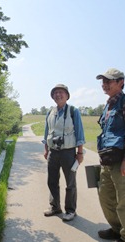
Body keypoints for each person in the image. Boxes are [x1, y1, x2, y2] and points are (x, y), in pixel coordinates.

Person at [96, 68, 125, 242]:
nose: (105, 84)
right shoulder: (108, 105)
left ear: (121, 82)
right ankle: (117, 229)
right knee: (106, 196)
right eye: (103, 81)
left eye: (109, 81)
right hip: (108, 159)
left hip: (124, 159)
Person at [42, 84, 85, 221]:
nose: (58, 95)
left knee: (70, 182)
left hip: (68, 152)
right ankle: (55, 207)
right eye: (55, 93)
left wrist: (80, 153)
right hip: (53, 152)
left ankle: (71, 210)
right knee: (52, 181)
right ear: (52, 97)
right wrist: (46, 149)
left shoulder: (73, 111)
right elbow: (46, 132)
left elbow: (79, 133)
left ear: (67, 95)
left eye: (61, 92)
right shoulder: (50, 112)